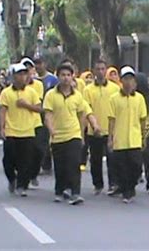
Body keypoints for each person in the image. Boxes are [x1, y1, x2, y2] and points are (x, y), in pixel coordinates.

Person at [43, 64, 100, 204]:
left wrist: (95, 125)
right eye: (63, 75)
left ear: (72, 77)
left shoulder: (77, 96)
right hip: (57, 136)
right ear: (58, 77)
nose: (66, 78)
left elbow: (87, 112)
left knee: (74, 164)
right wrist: (51, 130)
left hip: (73, 134)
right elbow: (48, 115)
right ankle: (60, 190)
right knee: (60, 165)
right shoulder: (51, 95)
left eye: (68, 75)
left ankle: (75, 193)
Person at [0, 63, 42, 197]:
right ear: (13, 76)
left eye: (25, 74)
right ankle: (12, 179)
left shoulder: (31, 92)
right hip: (11, 130)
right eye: (19, 74)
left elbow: (40, 108)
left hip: (27, 130)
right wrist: (2, 128)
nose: (23, 77)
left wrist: (26, 105)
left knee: (26, 160)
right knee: (9, 159)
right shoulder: (6, 93)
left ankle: (22, 185)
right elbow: (2, 111)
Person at [108, 66, 147, 203]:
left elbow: (143, 119)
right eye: (125, 79)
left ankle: (131, 186)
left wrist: (144, 136)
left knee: (136, 166)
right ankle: (126, 191)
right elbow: (111, 120)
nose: (128, 82)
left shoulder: (139, 98)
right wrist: (110, 138)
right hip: (120, 139)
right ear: (121, 80)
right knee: (122, 168)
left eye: (131, 79)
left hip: (135, 139)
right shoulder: (114, 99)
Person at [83, 60, 121, 195]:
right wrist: (92, 126)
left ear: (106, 71)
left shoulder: (115, 88)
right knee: (95, 159)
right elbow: (86, 109)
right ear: (93, 70)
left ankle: (113, 184)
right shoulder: (88, 90)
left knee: (113, 159)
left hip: (111, 130)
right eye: (97, 69)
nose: (100, 71)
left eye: (102, 69)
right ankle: (98, 184)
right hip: (95, 130)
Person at [21, 57, 47, 186]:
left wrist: (25, 105)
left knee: (39, 150)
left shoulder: (38, 85)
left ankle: (33, 173)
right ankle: (22, 179)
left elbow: (38, 105)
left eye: (29, 69)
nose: (27, 72)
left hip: (36, 122)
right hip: (20, 123)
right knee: (23, 153)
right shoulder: (13, 87)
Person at [34, 57, 58, 174]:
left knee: (46, 139)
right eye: (36, 64)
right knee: (37, 140)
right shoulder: (32, 80)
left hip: (48, 112)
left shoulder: (52, 79)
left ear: (45, 64)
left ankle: (47, 164)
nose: (38, 66)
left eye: (40, 63)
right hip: (36, 112)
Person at [134, 72, 149, 194]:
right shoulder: (134, 97)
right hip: (135, 130)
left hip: (144, 130)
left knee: (146, 155)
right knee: (143, 157)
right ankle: (145, 178)